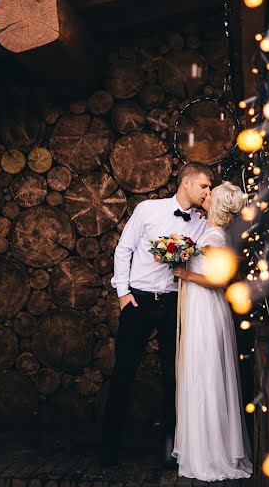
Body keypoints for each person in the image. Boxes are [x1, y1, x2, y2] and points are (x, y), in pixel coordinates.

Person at [100, 162, 213, 467]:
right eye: (204, 186)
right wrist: (123, 294)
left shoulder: (203, 222)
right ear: (186, 182)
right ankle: (109, 446)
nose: (207, 192)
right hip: (139, 302)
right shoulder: (148, 209)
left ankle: (171, 450)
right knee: (124, 372)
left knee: (174, 377)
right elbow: (124, 249)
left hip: (174, 303)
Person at [170, 182, 253, 481]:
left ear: (217, 203)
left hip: (206, 307)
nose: (206, 194)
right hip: (201, 307)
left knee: (205, 372)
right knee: (201, 371)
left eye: (211, 192)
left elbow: (219, 281)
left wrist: (185, 273)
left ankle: (210, 452)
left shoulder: (215, 237)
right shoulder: (212, 230)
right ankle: (203, 446)